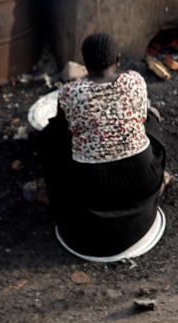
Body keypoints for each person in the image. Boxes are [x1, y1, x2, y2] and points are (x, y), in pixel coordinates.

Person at [40, 32, 166, 260]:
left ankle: (56, 201)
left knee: (50, 139)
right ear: (117, 59)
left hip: (92, 185)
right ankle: (159, 183)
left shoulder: (69, 93)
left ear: (85, 64)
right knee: (151, 119)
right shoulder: (134, 81)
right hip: (142, 175)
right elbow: (141, 116)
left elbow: (60, 131)